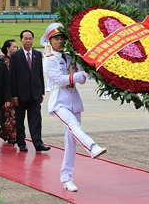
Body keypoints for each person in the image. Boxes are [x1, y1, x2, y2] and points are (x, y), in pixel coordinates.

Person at [42, 23, 107, 192]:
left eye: (62, 37)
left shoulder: (70, 57)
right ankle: (92, 147)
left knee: (71, 141)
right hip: (59, 101)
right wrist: (81, 74)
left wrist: (90, 68)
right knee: (73, 124)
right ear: (50, 41)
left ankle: (67, 178)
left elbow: (83, 77)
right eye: (56, 38)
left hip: (74, 99)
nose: (60, 41)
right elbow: (59, 80)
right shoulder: (49, 60)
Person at [9, 30, 50, 152]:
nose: (28, 41)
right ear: (21, 40)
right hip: (20, 95)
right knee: (20, 120)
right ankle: (21, 142)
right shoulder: (15, 56)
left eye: (30, 38)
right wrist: (14, 95)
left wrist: (41, 91)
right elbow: (12, 77)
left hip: (35, 94)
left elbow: (39, 74)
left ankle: (38, 143)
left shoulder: (37, 54)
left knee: (36, 120)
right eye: (26, 38)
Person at [0, 39, 19, 144]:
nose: (16, 48)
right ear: (8, 48)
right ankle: (9, 135)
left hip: (17, 93)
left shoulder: (18, 60)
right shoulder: (2, 62)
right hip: (6, 94)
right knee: (7, 116)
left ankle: (15, 135)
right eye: (14, 46)